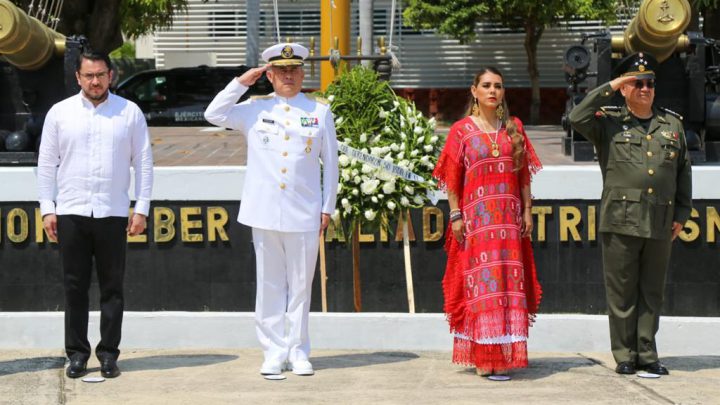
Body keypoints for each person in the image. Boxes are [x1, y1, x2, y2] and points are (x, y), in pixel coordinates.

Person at [204, 43, 338, 377]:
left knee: (301, 286)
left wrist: (327, 207)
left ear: (303, 73)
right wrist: (241, 82)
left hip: (304, 211)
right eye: (281, 71)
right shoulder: (253, 108)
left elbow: (332, 165)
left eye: (294, 70)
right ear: (270, 74)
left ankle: (298, 351)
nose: (288, 76)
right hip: (264, 211)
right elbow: (214, 114)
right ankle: (273, 351)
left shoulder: (319, 111)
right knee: (270, 285)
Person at [569, 52, 692, 376]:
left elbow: (683, 174)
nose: (644, 88)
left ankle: (647, 353)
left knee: (652, 291)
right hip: (620, 219)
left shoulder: (672, 125)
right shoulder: (608, 123)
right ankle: (624, 354)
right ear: (624, 87)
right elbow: (576, 116)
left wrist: (682, 212)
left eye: (649, 82)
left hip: (660, 221)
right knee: (622, 292)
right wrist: (611, 85)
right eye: (636, 82)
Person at [37, 51, 154, 379]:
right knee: (74, 287)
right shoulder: (60, 113)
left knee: (112, 287)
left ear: (111, 75)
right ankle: (76, 353)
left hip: (113, 212)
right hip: (71, 211)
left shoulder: (128, 112)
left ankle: (108, 354)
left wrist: (141, 208)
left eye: (101, 74)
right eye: (88, 75)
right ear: (78, 77)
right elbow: (47, 164)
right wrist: (48, 208)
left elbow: (143, 162)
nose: (95, 81)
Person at [433, 67, 543, 379]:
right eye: (486, 85)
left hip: (508, 225)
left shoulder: (514, 128)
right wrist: (455, 214)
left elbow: (523, 174)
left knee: (508, 285)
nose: (492, 91)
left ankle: (504, 356)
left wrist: (527, 211)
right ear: (474, 91)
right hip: (477, 224)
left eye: (498, 86)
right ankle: (484, 356)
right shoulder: (461, 131)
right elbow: (452, 178)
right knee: (482, 287)